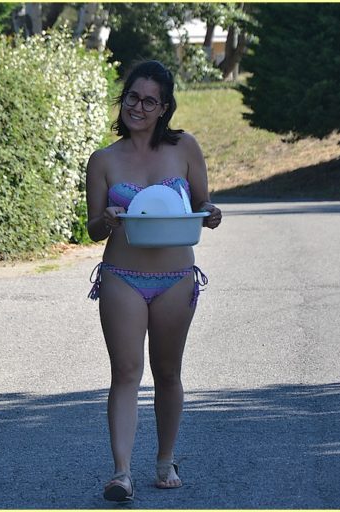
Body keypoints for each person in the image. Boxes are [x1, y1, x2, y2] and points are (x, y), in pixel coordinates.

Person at [85, 60, 222, 501]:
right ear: (122, 98)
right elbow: (93, 228)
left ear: (164, 107)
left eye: (149, 101)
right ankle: (121, 472)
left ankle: (165, 460)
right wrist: (107, 219)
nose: (138, 107)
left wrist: (212, 213)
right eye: (132, 97)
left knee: (167, 371)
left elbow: (202, 204)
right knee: (125, 372)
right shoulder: (103, 160)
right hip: (122, 275)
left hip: (176, 278)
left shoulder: (185, 148)